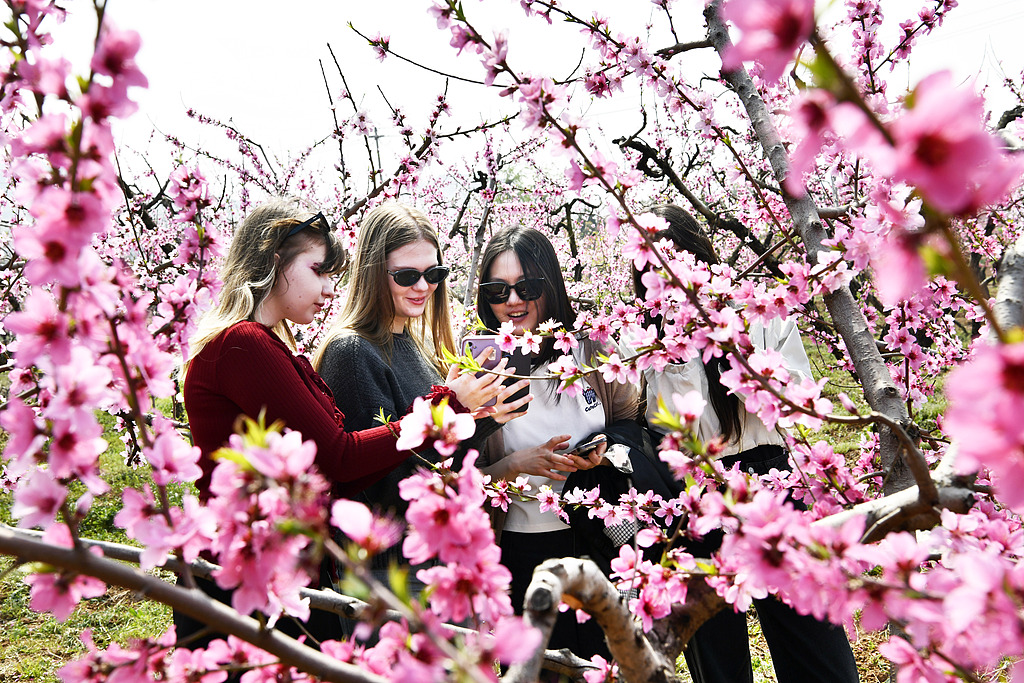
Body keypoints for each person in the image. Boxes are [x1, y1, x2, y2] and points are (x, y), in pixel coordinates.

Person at [179, 197, 471, 646]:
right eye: (319, 270)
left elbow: (331, 473)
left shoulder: (264, 344)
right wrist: (443, 408)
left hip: (274, 571)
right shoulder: (242, 344)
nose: (331, 288)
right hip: (247, 576)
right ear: (275, 260)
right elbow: (337, 456)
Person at [628, 204, 859, 683]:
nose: (660, 276)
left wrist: (745, 358)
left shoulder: (758, 312)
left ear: (694, 256)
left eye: (666, 259)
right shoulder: (648, 344)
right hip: (696, 498)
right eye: (646, 268)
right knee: (718, 659)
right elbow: (654, 426)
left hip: (774, 485)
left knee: (814, 646)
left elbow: (798, 399)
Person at [313, 203, 529, 580]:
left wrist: (487, 418)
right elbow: (378, 482)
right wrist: (454, 406)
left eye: (434, 273)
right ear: (372, 273)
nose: (423, 286)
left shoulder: (416, 345)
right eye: (407, 274)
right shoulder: (352, 351)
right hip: (387, 572)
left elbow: (434, 456)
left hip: (433, 561)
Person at [475, 226, 641, 661]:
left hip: (596, 537)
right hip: (519, 546)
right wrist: (514, 465)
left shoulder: (590, 348)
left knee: (600, 662)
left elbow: (629, 417)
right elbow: (462, 476)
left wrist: (605, 451)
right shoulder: (475, 364)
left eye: (526, 287)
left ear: (549, 287)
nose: (512, 301)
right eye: (498, 290)